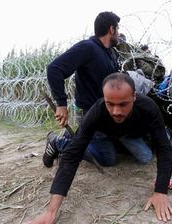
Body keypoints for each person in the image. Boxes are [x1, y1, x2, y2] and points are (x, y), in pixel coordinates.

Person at [7, 73, 172, 224]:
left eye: (123, 104)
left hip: (129, 133)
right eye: (110, 104)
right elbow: (72, 157)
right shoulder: (97, 111)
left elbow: (163, 148)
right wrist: (51, 211)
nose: (116, 111)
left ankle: (115, 143)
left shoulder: (149, 108)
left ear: (134, 97)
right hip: (102, 132)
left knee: (145, 157)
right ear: (104, 99)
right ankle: (58, 142)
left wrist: (160, 191)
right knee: (105, 159)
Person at [42, 11, 123, 167]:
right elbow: (54, 69)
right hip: (89, 112)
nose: (119, 34)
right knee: (108, 159)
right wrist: (61, 104)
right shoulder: (88, 48)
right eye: (117, 30)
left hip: (104, 113)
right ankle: (58, 143)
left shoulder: (110, 54)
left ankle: (75, 137)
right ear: (111, 29)